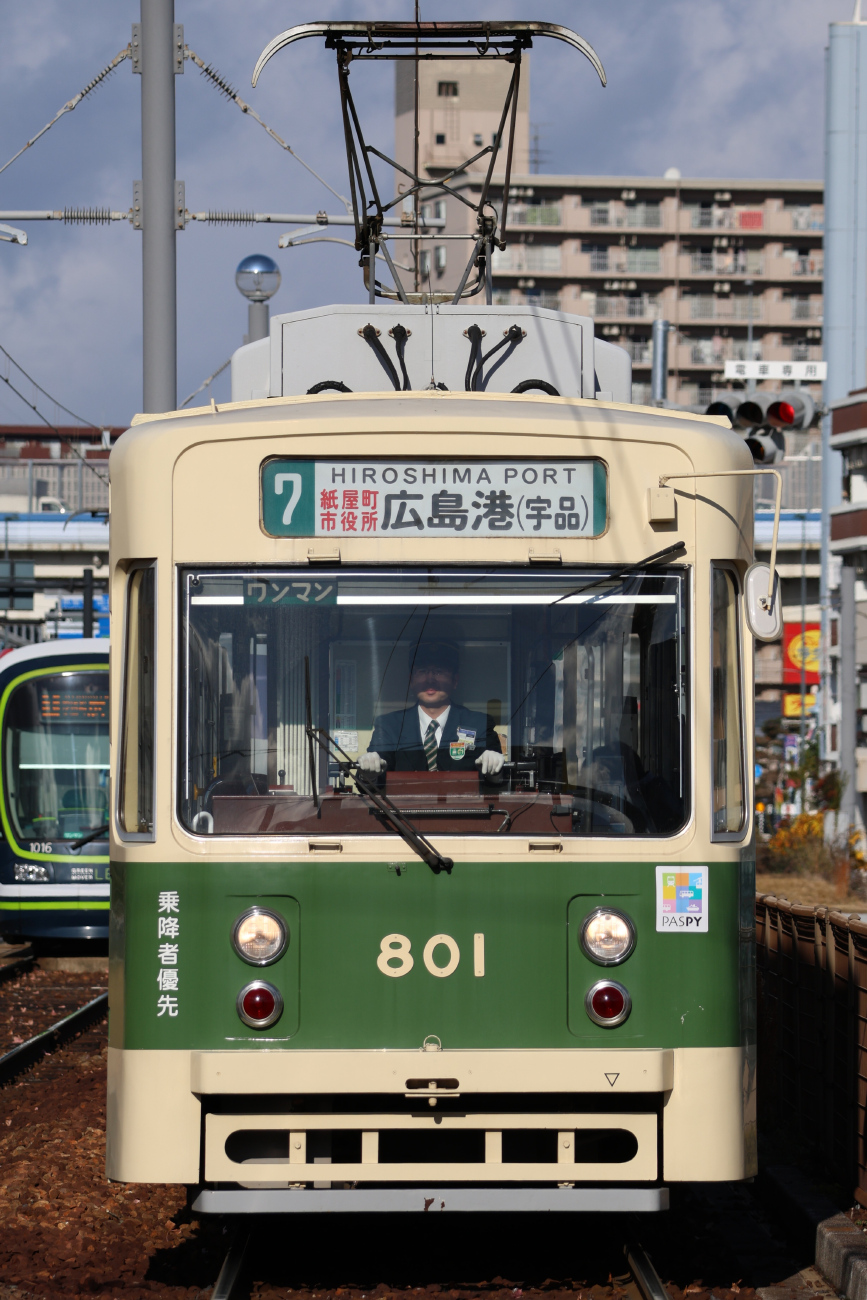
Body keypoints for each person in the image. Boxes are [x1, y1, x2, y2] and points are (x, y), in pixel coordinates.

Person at [358, 639, 505, 776]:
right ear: (411, 680)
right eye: (422, 671)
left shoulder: (478, 724)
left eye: (439, 671)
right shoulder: (390, 726)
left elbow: (500, 781)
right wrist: (369, 773)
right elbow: (370, 782)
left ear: (455, 680)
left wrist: (495, 772)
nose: (430, 679)